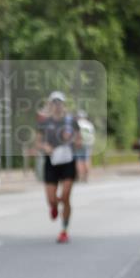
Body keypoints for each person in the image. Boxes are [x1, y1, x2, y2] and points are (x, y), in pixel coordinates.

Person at [35, 91, 82, 243]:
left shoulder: (71, 121)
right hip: (51, 162)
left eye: (59, 102)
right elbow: (37, 142)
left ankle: (64, 230)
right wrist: (45, 147)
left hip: (68, 160)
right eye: (54, 103)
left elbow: (80, 141)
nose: (57, 105)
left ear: (63, 104)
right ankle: (54, 206)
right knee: (51, 199)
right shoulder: (44, 122)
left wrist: (74, 141)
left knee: (66, 195)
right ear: (50, 105)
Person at [75, 109, 96, 182]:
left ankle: (80, 176)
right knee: (87, 159)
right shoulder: (89, 124)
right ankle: (87, 176)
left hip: (79, 143)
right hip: (89, 143)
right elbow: (92, 135)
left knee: (79, 160)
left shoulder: (77, 123)